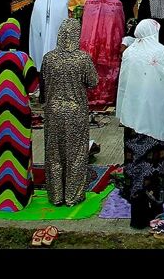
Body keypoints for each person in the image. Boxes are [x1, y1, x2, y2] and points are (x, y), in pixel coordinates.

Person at [117, 20, 164, 228]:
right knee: (154, 166)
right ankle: (155, 207)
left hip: (133, 118)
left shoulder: (129, 53)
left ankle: (138, 215)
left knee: (135, 164)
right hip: (153, 118)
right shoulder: (160, 51)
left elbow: (123, 86)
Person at [0, 19, 40, 211]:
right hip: (18, 116)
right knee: (18, 152)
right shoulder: (23, 59)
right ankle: (18, 198)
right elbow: (33, 87)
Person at [42, 17, 98, 206]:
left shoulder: (49, 58)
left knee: (54, 153)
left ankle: (56, 195)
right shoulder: (82, 58)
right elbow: (93, 82)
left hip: (52, 110)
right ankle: (73, 195)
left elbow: (43, 83)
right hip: (75, 110)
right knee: (76, 154)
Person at [80, 0, 125, 109]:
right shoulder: (116, 3)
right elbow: (120, 26)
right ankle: (106, 95)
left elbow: (85, 25)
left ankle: (90, 94)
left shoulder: (89, 2)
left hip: (90, 45)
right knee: (107, 71)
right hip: (109, 44)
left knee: (91, 68)